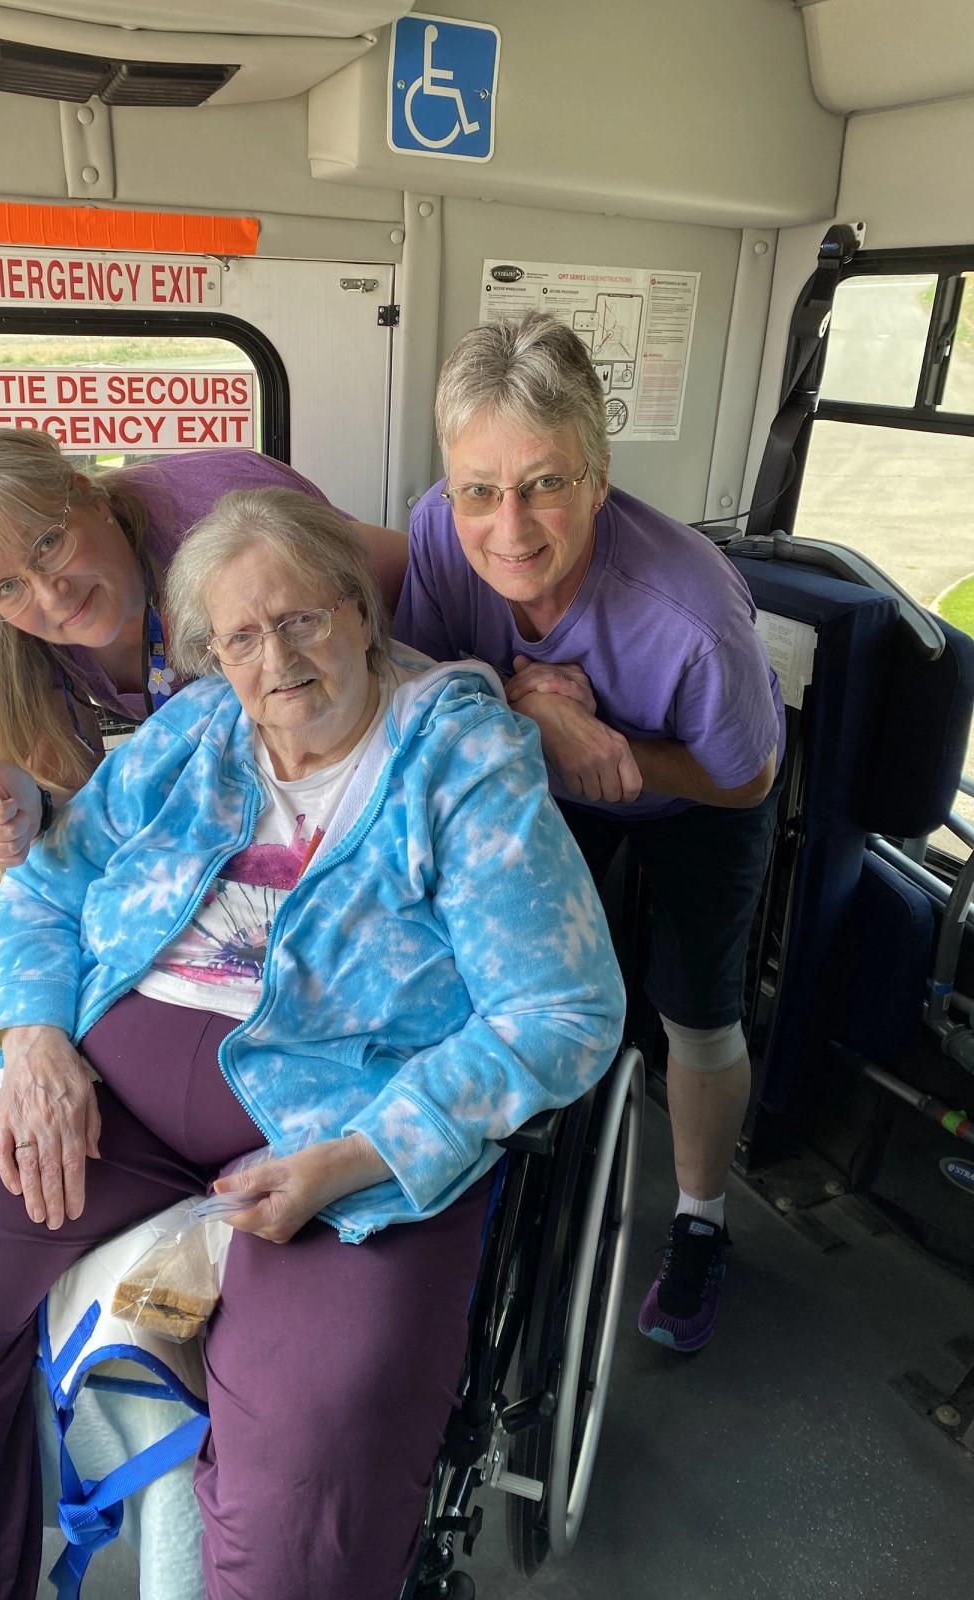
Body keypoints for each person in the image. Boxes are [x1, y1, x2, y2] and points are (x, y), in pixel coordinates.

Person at [0, 488, 625, 1600]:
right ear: (209, 651)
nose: (276, 659)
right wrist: (36, 1034)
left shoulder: (459, 756)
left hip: (336, 1125)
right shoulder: (195, 733)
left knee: (315, 1441)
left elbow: (561, 1009)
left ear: (356, 608)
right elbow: (50, 888)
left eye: (300, 619)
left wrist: (359, 1153)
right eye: (240, 636)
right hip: (106, 1078)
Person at [394, 311, 785, 1354]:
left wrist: (611, 746)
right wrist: (531, 709)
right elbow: (431, 691)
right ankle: (508, 1180)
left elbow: (748, 779)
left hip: (696, 787)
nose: (508, 526)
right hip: (552, 765)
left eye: (545, 484)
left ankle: (702, 1219)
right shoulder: (440, 527)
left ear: (598, 479)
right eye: (482, 487)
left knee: (696, 1009)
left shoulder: (688, 616)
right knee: (521, 973)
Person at [0, 426, 407, 926]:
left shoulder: (216, 504)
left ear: (89, 497)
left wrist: (444, 712)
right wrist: (35, 808)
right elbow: (96, 820)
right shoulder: (24, 645)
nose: (51, 595)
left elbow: (403, 571)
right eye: (7, 587)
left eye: (48, 544)